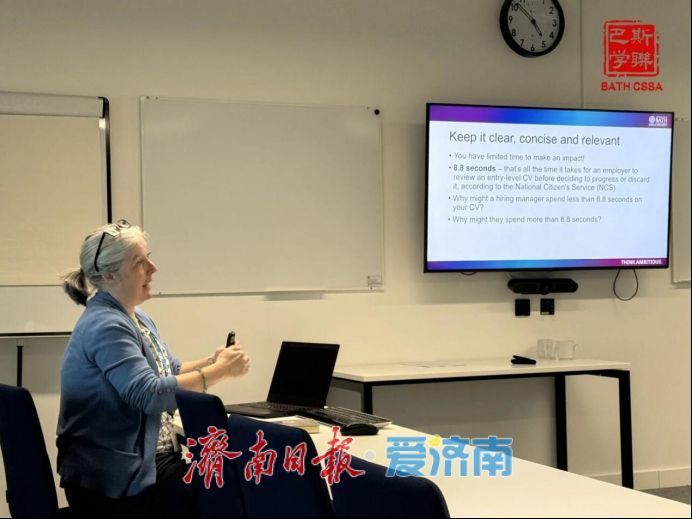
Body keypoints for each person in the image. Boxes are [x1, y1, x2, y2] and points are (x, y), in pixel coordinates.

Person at [57, 219, 250, 518]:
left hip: (145, 464)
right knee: (233, 486)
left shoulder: (137, 317)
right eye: (139, 262)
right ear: (108, 275)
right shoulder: (106, 325)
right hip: (116, 481)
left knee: (231, 478)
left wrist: (213, 361)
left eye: (148, 257)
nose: (153, 268)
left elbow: (169, 369)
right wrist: (220, 372)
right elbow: (149, 394)